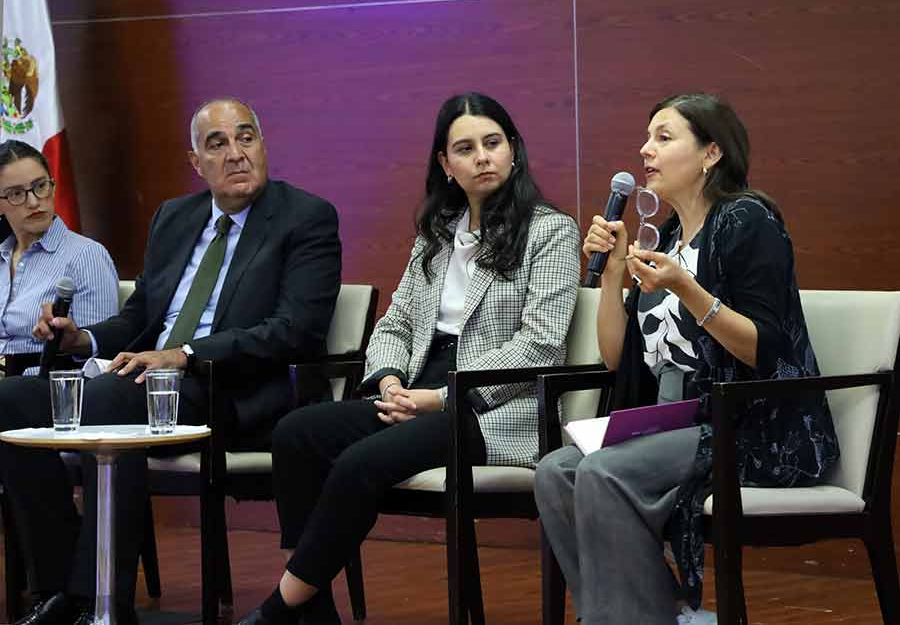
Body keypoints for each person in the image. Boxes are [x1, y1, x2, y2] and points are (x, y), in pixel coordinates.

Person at [235, 92, 581, 625]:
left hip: (494, 406)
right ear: (445, 164)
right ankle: (314, 612)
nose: (482, 157)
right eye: (465, 149)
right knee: (296, 435)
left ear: (513, 150)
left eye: (493, 143)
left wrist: (439, 397)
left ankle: (278, 609)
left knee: (359, 463)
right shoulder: (436, 236)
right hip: (418, 388)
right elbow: (395, 323)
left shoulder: (550, 230)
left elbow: (540, 344)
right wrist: (391, 381)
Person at [0, 98, 342, 625]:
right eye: (217, 144)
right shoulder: (175, 217)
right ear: (196, 162)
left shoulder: (306, 218)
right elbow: (139, 316)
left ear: (263, 144)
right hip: (146, 381)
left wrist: (184, 355)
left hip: (231, 390)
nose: (236, 154)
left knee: (111, 399)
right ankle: (57, 587)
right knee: (9, 401)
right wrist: (83, 339)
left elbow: (296, 330)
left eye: (245, 137)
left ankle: (97, 603)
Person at [534, 93, 840, 625]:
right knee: (556, 471)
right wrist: (612, 275)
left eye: (664, 137)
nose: (644, 149)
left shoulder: (748, 219)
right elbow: (617, 359)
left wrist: (688, 290)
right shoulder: (669, 237)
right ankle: (645, 615)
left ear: (711, 153)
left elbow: (764, 348)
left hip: (749, 427)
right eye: (647, 137)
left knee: (603, 472)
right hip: (673, 421)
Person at [0, 141, 118, 374]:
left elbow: (98, 362)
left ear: (53, 187)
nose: (34, 202)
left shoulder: (86, 256)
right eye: (16, 194)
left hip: (39, 384)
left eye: (40, 186)